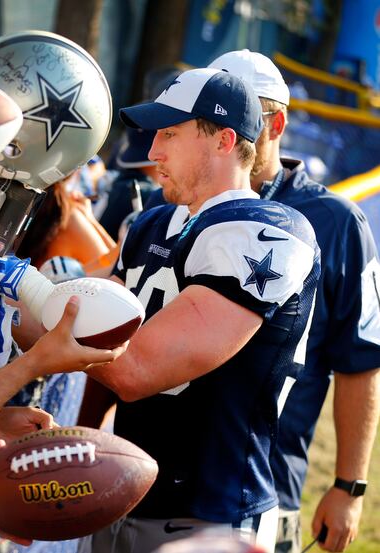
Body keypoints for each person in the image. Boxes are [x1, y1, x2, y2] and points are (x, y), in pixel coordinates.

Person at [79, 68, 320, 553]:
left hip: (208, 514)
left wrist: (30, 294)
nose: (152, 153)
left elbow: (134, 368)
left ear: (224, 140)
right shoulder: (150, 224)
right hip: (122, 487)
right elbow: (86, 327)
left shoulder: (269, 232)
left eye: (169, 133)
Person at [207, 49, 380, 553]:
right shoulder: (178, 200)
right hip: (161, 471)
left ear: (275, 122)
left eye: (241, 118)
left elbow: (361, 362)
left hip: (263, 486)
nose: (226, 134)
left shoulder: (338, 222)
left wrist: (350, 486)